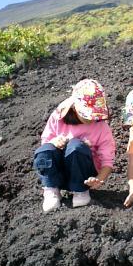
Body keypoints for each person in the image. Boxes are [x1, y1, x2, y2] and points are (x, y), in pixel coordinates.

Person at [33, 79, 115, 212]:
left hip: (83, 174)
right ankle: (51, 190)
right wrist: (54, 142)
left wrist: (99, 179)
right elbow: (45, 141)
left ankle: (80, 191)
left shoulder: (101, 126)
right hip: (58, 171)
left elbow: (108, 159)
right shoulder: (58, 117)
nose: (91, 119)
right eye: (87, 114)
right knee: (45, 150)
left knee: (76, 147)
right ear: (74, 106)